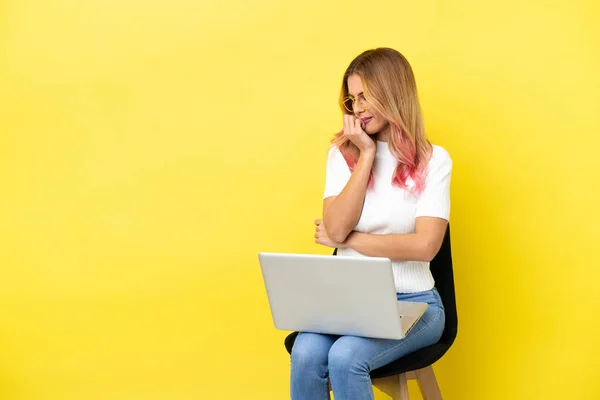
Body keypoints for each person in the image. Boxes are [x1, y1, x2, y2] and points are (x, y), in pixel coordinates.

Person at [290, 47, 452, 400]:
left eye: (366, 96)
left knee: (346, 357)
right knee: (305, 352)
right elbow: (335, 230)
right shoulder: (342, 154)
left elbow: (425, 246)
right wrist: (364, 155)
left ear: (393, 93)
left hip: (415, 302)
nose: (358, 107)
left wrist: (354, 241)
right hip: (348, 301)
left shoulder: (433, 159)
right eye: (352, 99)